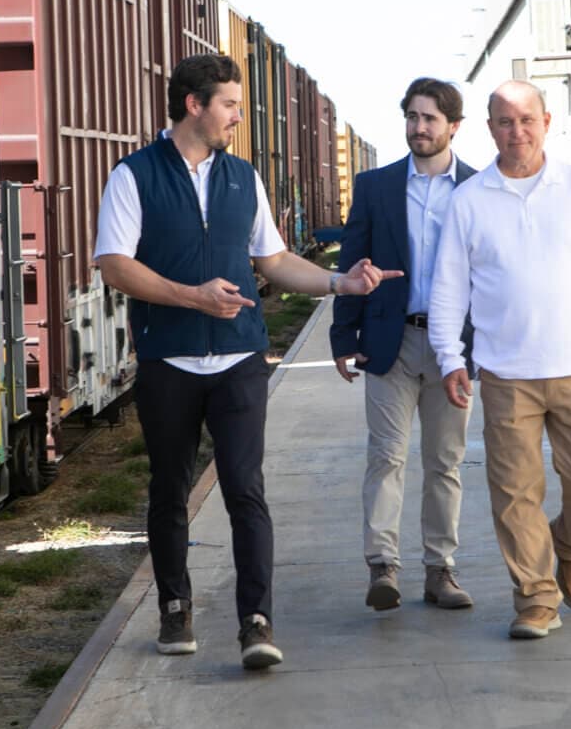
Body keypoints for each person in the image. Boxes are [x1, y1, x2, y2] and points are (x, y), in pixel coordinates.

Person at [95, 54, 398, 670]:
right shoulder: (134, 176)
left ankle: (255, 623)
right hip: (168, 358)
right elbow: (114, 263)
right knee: (169, 490)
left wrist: (343, 283)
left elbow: (275, 260)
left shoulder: (243, 177)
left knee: (245, 490)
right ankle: (174, 607)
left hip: (237, 358)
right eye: (229, 104)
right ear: (194, 105)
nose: (237, 116)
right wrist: (191, 297)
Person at [427, 79, 571, 640]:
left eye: (527, 119)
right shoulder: (468, 201)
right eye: (505, 121)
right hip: (505, 374)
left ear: (547, 123)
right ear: (489, 127)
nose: (516, 131)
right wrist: (451, 357)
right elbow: (449, 286)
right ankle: (535, 598)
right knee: (514, 493)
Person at [330, 78, 477, 612]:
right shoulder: (375, 187)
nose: (419, 127)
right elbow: (353, 263)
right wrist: (343, 335)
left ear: (453, 127)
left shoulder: (478, 189)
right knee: (386, 457)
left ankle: (441, 570)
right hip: (389, 341)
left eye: (430, 118)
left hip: (451, 352)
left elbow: (490, 274)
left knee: (445, 462)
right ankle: (382, 568)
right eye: (412, 117)